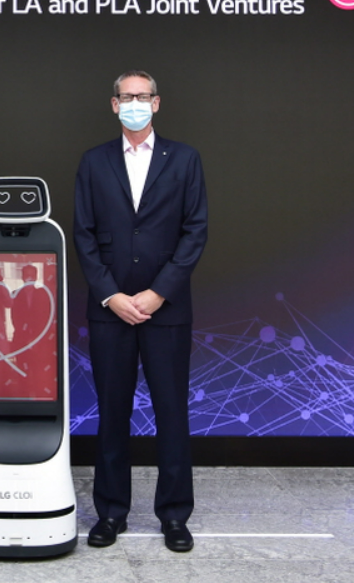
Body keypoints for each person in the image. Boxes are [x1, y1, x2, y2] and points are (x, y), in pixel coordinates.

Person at [73, 70, 208, 552]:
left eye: (142, 96)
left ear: (156, 102)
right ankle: (111, 513)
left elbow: (195, 231)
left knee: (172, 412)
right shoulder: (94, 161)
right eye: (126, 96)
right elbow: (84, 234)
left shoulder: (185, 159)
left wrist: (158, 293)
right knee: (112, 413)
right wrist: (111, 295)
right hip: (110, 310)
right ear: (114, 105)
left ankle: (174, 515)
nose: (134, 103)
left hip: (165, 310)